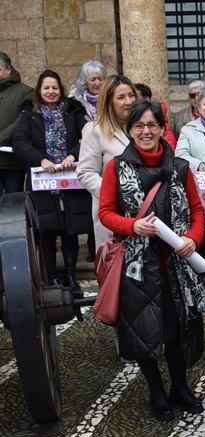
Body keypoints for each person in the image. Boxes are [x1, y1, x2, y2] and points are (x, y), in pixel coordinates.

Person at [97, 99, 205, 420]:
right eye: (139, 126)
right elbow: (106, 213)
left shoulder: (180, 167)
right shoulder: (116, 167)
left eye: (152, 125)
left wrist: (193, 239)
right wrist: (132, 226)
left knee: (175, 332)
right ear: (130, 130)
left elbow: (197, 210)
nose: (146, 131)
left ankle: (179, 387)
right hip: (136, 269)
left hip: (174, 267)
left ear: (162, 129)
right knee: (143, 333)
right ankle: (156, 391)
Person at [13, 70, 91, 292]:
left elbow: (88, 137)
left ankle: (70, 277)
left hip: (70, 180)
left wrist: (73, 155)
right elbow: (19, 142)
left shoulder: (73, 110)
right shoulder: (30, 113)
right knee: (47, 228)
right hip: (43, 181)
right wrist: (41, 159)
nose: (51, 91)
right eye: (46, 87)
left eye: (54, 87)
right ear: (39, 90)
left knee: (70, 228)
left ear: (60, 89)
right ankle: (52, 279)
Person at [76, 75, 138, 252]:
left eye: (131, 95)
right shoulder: (94, 130)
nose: (129, 101)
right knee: (116, 264)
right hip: (113, 213)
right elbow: (86, 172)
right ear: (109, 101)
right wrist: (116, 193)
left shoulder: (144, 128)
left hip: (145, 214)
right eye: (121, 97)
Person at [0, 52, 33, 197]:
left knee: (13, 203)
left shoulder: (26, 92)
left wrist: (1, 138)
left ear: (9, 69)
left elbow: (22, 120)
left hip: (12, 161)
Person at [134, 83, 177, 151]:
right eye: (139, 126)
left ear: (147, 99)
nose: (129, 102)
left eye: (152, 125)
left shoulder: (161, 123)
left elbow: (169, 150)